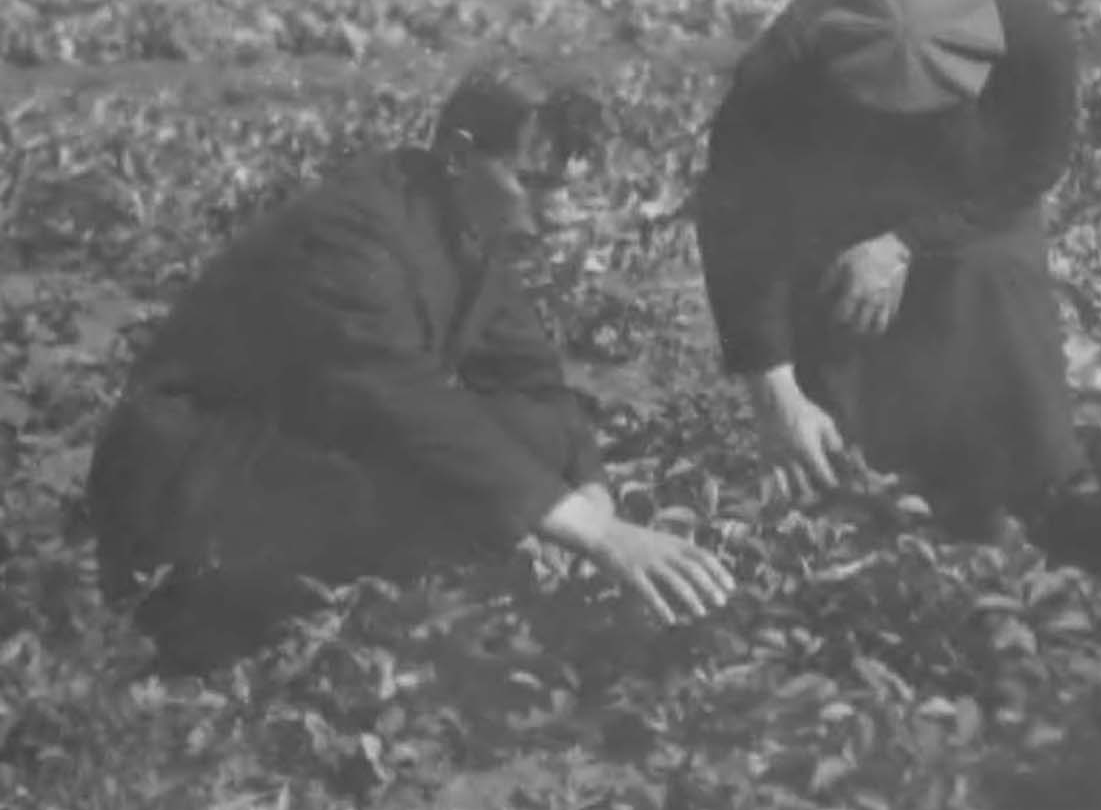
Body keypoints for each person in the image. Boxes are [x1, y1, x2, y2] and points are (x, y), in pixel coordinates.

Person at [85, 69, 734, 672]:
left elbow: (530, 382)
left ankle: (363, 613)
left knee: (531, 436)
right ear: (458, 154)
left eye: (565, 184)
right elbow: (395, 397)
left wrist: (591, 491)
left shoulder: (464, 222)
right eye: (532, 183)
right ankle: (246, 634)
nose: (555, 209)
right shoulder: (355, 232)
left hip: (282, 455)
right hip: (187, 485)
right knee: (439, 471)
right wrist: (595, 536)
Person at [694, 0, 1089, 539]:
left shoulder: (1034, 39)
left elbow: (1034, 164)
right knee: (842, 321)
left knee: (992, 285)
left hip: (971, 187)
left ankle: (1016, 495)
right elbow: (738, 220)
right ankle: (863, 505)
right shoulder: (783, 69)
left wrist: (907, 241)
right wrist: (774, 393)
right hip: (840, 186)